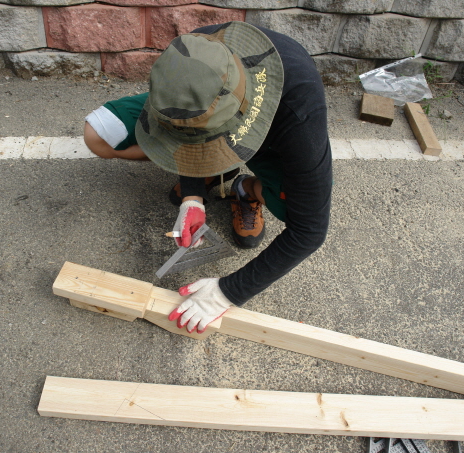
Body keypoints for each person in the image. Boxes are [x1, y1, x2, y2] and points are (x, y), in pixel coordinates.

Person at [83, 21, 332, 335]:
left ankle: (246, 189)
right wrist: (192, 197)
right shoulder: (198, 52)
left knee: (293, 207)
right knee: (98, 135)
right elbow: (188, 132)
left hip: (272, 139)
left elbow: (310, 232)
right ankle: (215, 171)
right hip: (199, 114)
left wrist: (227, 293)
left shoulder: (300, 114)